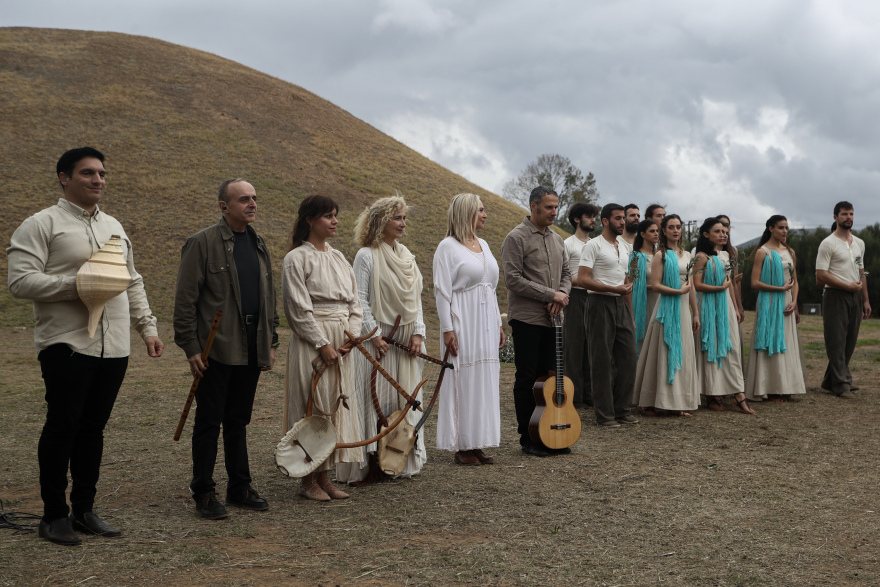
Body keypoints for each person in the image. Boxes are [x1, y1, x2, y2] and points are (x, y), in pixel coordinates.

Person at [7, 147, 164, 545]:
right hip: (67, 345)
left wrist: (147, 328)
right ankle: (53, 515)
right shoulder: (41, 224)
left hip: (114, 347)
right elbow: (20, 282)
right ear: (64, 177)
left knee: (93, 430)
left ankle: (85, 510)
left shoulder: (114, 225)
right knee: (63, 427)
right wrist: (78, 284)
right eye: (88, 173)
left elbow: (132, 279)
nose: (98, 180)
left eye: (102, 174)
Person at [173, 179, 278, 519]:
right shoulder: (201, 243)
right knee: (209, 421)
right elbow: (185, 301)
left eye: (254, 197)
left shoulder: (259, 244)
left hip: (250, 346)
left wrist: (269, 342)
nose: (252, 204)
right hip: (214, 348)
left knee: (238, 420)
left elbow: (268, 298)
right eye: (244, 199)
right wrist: (191, 348)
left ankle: (240, 487)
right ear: (224, 205)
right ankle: (203, 491)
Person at [337, 195, 427, 482]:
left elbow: (417, 300)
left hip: (404, 340)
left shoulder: (407, 256)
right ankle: (370, 460)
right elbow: (359, 299)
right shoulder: (366, 255)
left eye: (404, 218)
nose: (403, 223)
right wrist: (374, 335)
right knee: (373, 399)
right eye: (397, 218)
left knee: (402, 397)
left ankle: (398, 457)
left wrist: (418, 332)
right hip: (378, 340)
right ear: (380, 222)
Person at [282, 195, 365, 501]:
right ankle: (307, 480)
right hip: (313, 341)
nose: (335, 221)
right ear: (310, 220)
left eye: (335, 215)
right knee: (312, 404)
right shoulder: (296, 259)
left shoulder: (340, 257)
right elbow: (297, 309)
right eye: (328, 216)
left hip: (341, 340)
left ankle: (325, 477)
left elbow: (355, 303)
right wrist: (323, 343)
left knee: (334, 404)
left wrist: (351, 337)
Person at [434, 193, 504, 465]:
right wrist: (447, 329)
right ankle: (461, 445)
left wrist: (498, 323)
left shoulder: (483, 244)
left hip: (486, 320)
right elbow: (442, 291)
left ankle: (477, 441)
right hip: (463, 318)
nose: (486, 215)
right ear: (466, 213)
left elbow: (492, 287)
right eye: (481, 210)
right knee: (464, 378)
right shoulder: (447, 247)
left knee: (484, 379)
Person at [501, 186, 571, 456]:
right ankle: (528, 437)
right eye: (549, 207)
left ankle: (551, 433)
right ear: (533, 206)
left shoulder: (557, 239)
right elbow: (513, 279)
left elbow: (567, 272)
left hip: (554, 319)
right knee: (527, 378)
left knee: (550, 378)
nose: (554, 212)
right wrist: (550, 293)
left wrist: (561, 294)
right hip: (528, 319)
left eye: (556, 207)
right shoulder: (516, 238)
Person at [578, 203, 639, 428]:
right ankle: (605, 415)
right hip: (598, 303)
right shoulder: (593, 245)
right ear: (605, 221)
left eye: (624, 218)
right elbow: (583, 279)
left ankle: (622, 410)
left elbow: (626, 283)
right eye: (618, 218)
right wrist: (614, 290)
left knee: (629, 357)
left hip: (620, 304)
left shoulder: (625, 248)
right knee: (601, 360)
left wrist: (630, 315)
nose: (623, 222)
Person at [633, 215, 700, 417]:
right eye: (670, 227)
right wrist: (677, 291)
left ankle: (677, 400)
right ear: (664, 231)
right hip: (666, 308)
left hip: (683, 310)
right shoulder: (660, 255)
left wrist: (695, 312)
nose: (675, 230)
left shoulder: (687, 255)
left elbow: (692, 286)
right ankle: (651, 401)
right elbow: (656, 285)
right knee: (662, 352)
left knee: (683, 352)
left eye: (678, 227)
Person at [692, 218, 754, 414]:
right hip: (708, 304)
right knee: (710, 348)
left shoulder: (727, 255)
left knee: (731, 347)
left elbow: (731, 285)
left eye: (725, 231)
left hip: (726, 305)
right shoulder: (701, 257)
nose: (723, 234)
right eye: (718, 231)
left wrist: (736, 307)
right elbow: (696, 284)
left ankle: (737, 392)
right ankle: (712, 394)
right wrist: (720, 288)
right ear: (706, 234)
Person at [745, 215, 806, 402]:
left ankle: (786, 386)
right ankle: (769, 387)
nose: (785, 231)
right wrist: (778, 289)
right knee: (769, 341)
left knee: (787, 342)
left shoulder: (790, 252)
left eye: (786, 227)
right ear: (771, 228)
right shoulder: (762, 252)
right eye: (781, 227)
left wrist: (795, 301)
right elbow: (754, 282)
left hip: (787, 301)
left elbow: (794, 281)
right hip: (769, 300)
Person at [815, 201, 871, 398]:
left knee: (849, 342)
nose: (849, 217)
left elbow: (861, 272)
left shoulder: (859, 243)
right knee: (836, 340)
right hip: (835, 296)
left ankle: (831, 380)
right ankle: (841, 385)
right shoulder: (828, 243)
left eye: (851, 214)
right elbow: (820, 276)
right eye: (845, 214)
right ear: (835, 217)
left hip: (855, 296)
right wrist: (845, 285)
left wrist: (865, 300)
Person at [563, 202, 599, 408]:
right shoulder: (568, 244)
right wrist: (585, 281)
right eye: (589, 216)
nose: (593, 219)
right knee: (574, 347)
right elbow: (564, 276)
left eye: (594, 216)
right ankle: (574, 397)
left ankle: (590, 394)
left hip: (594, 297)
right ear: (577, 219)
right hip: (575, 298)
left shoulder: (595, 244)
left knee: (592, 347)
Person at [629, 219, 660, 353]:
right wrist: (654, 286)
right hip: (646, 303)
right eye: (652, 231)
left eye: (657, 231)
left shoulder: (661, 255)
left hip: (662, 300)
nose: (656, 234)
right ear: (642, 234)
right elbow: (632, 284)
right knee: (646, 337)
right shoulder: (635, 256)